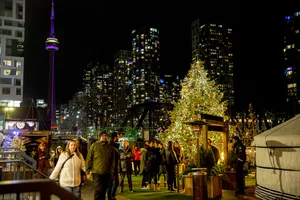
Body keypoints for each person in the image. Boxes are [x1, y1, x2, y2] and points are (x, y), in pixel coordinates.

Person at [86, 130, 115, 200]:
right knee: (98, 189)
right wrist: (88, 171)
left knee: (104, 190)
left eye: (105, 136)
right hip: (96, 172)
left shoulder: (110, 147)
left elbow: (113, 161)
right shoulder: (94, 146)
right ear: (99, 137)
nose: (104, 137)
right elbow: (89, 158)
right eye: (103, 136)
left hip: (107, 172)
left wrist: (111, 171)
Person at [107, 132, 120, 200]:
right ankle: (111, 196)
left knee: (112, 183)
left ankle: (111, 196)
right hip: (112, 166)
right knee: (113, 183)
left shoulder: (112, 145)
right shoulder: (112, 145)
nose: (119, 138)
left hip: (113, 166)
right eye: (118, 136)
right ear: (115, 137)